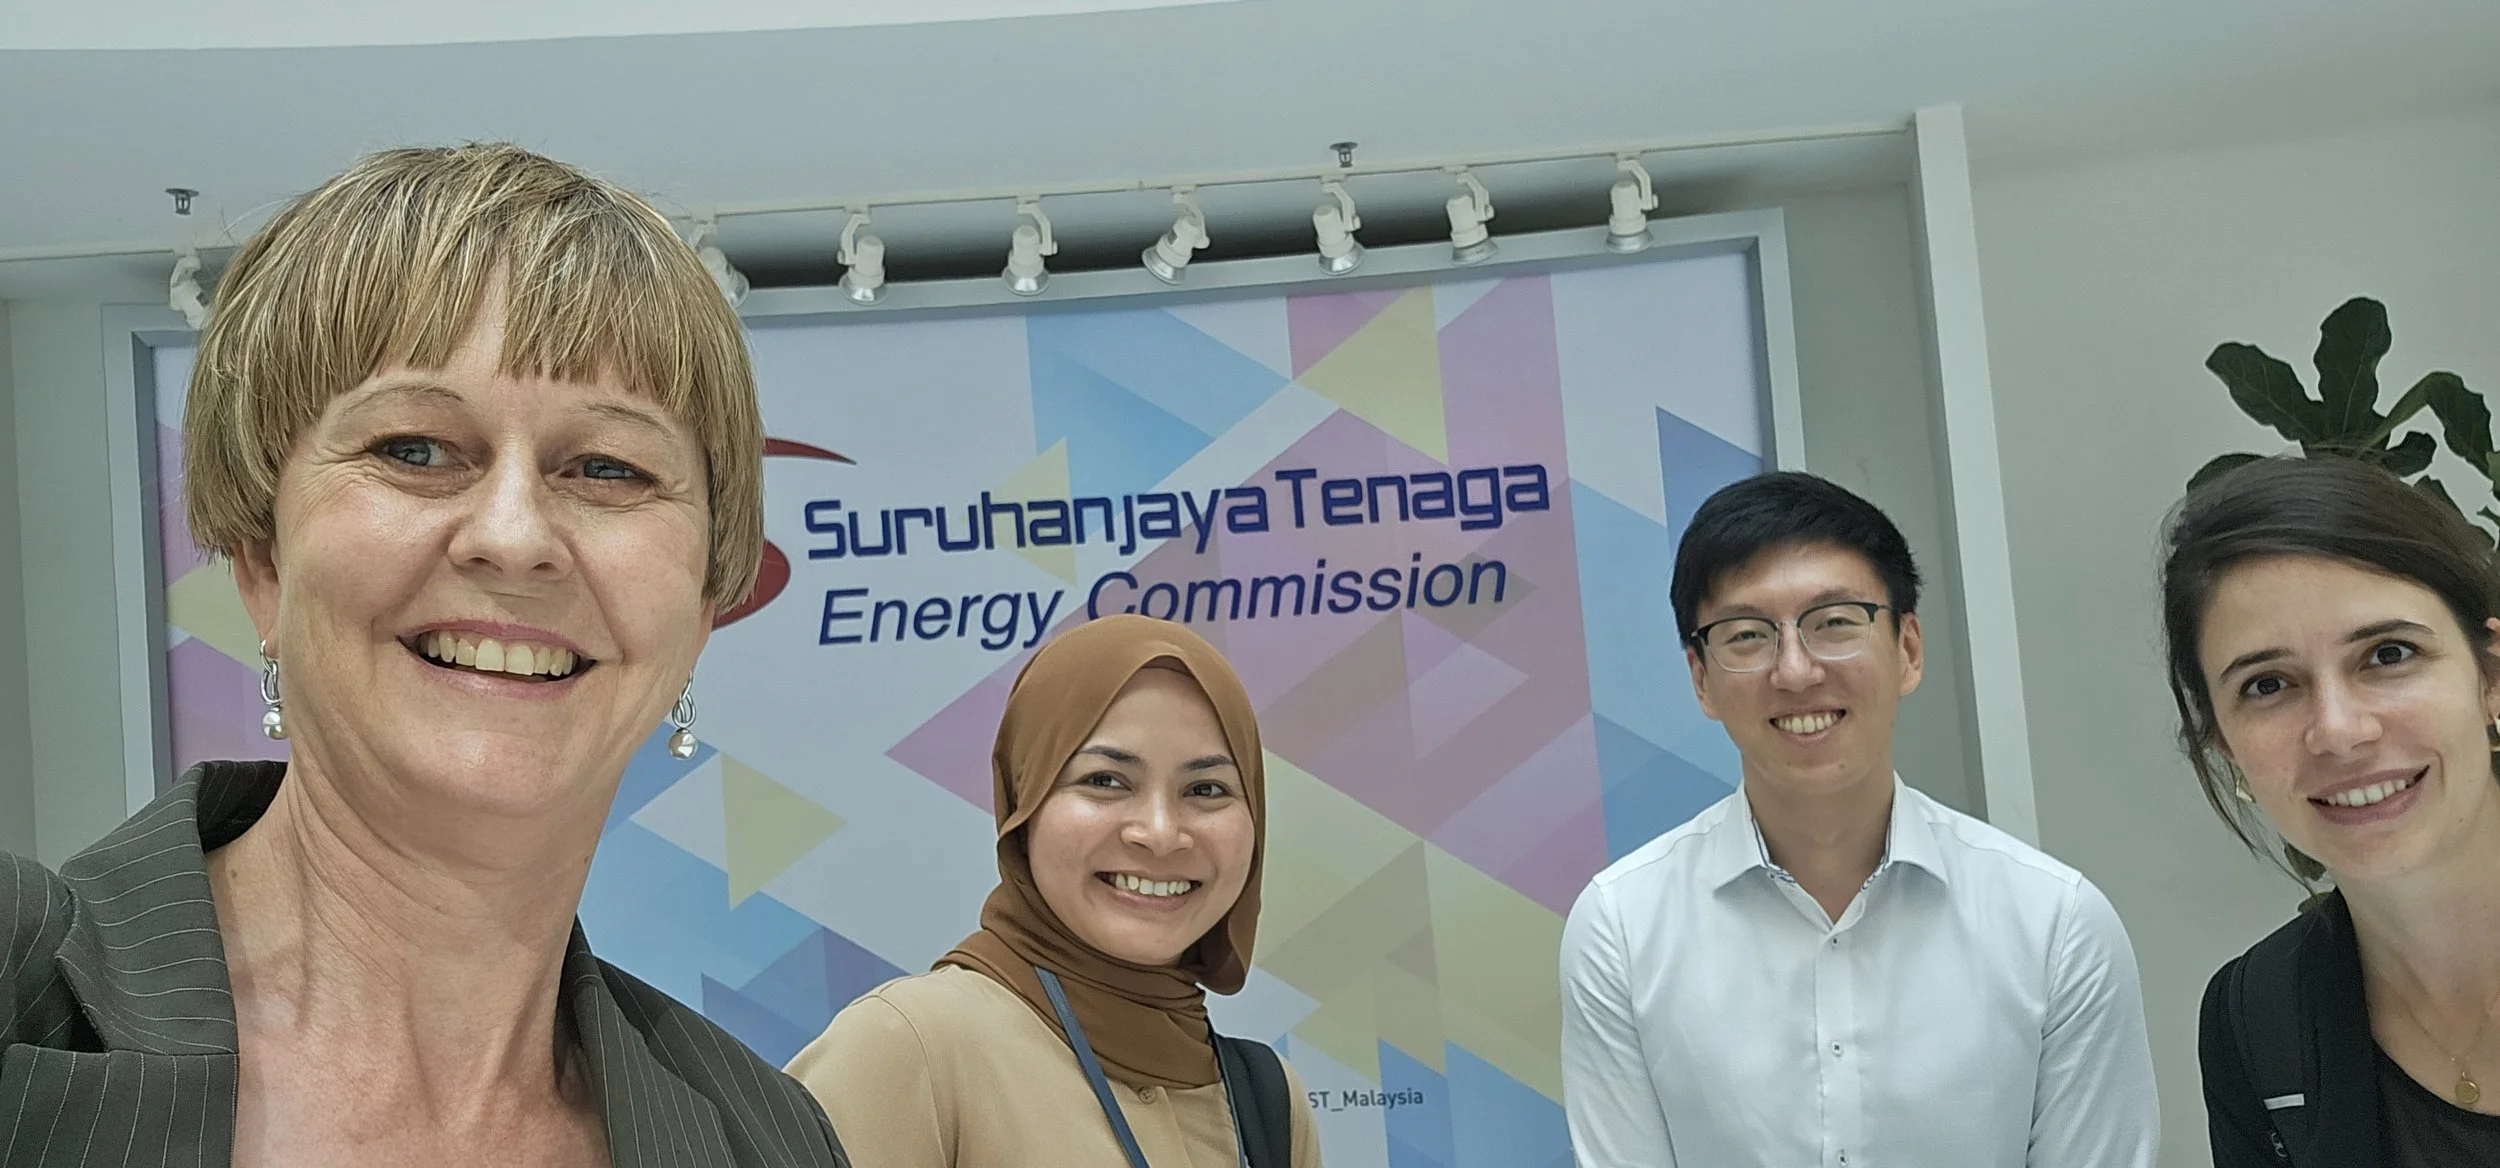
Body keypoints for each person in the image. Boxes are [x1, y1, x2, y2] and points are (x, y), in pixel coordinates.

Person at [0, 144, 848, 1166]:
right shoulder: (18, 993)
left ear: (707, 601)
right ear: (263, 558)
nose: (515, 534)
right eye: (415, 449)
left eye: (608, 467)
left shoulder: (768, 1138)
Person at [1558, 471, 2159, 1167]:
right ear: (1701, 677)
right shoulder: (1621, 928)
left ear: (1907, 648)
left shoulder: (2055, 923)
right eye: (1747, 635)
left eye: (1834, 622)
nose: (1795, 670)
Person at [786, 615, 1321, 1168]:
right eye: (1105, 781)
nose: (1160, 833)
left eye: (1206, 789)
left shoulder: (1267, 1103)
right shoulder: (912, 1047)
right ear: (1026, 802)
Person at [2170, 456, 2500, 1165]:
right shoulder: (2257, 1021)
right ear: (2223, 743)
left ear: (2490, 676)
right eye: (2267, 685)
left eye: (2388, 653)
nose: (2339, 730)